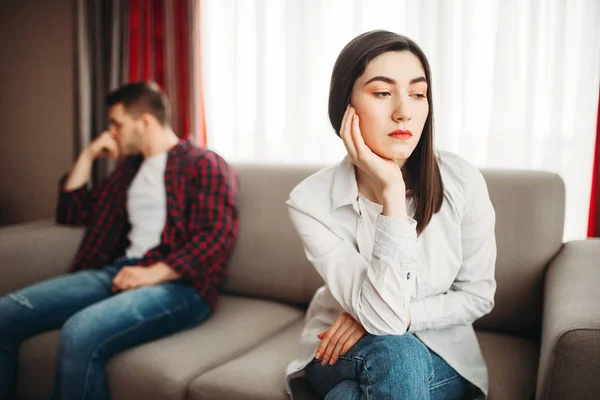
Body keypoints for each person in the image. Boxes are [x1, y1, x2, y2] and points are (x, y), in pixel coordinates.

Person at [285, 30, 496, 399]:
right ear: (344, 105)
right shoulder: (310, 202)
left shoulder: (462, 181)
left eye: (418, 94)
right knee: (395, 351)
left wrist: (400, 315)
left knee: (351, 394)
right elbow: (384, 322)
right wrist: (392, 193)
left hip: (442, 349)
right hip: (342, 351)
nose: (404, 111)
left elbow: (478, 295)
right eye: (382, 93)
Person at [0, 82, 239, 400]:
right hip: (117, 271)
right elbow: (72, 212)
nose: (111, 133)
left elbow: (216, 236)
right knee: (5, 313)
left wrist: (152, 273)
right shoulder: (128, 170)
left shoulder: (204, 163)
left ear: (145, 122)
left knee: (80, 331)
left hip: (178, 285)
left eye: (116, 124)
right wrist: (88, 155)